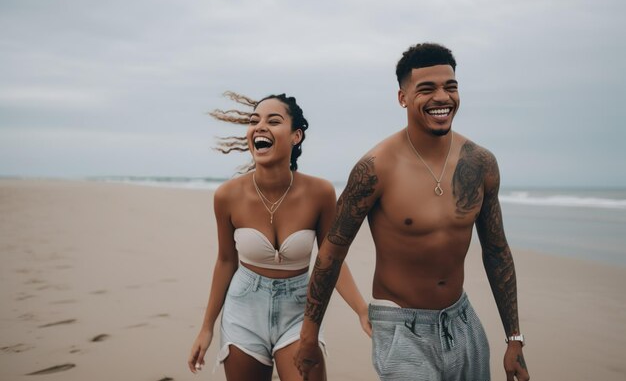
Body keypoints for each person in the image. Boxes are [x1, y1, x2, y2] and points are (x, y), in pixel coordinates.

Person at [295, 43, 530, 381]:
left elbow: (496, 252)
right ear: (402, 97)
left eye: (450, 87)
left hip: (462, 321)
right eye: (427, 88)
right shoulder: (375, 168)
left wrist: (514, 339)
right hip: (402, 329)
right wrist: (308, 335)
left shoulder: (479, 163)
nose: (442, 97)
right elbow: (332, 251)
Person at [187, 92, 371, 381]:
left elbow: (330, 259)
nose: (260, 126)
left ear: (296, 136)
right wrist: (207, 327)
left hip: (300, 309)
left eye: (273, 121)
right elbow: (225, 261)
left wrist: (362, 309)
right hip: (243, 308)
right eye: (254, 121)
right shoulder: (227, 196)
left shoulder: (319, 193)